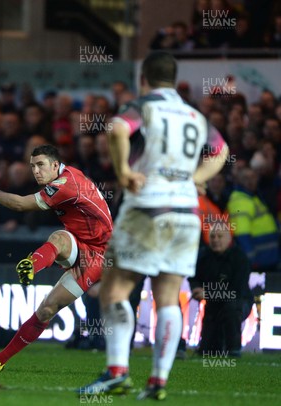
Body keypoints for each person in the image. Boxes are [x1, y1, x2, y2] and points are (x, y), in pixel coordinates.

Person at [79, 51, 228, 400]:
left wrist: (124, 172)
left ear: (143, 78)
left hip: (148, 207)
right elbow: (221, 151)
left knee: (114, 290)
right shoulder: (195, 115)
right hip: (186, 213)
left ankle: (117, 371)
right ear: (174, 80)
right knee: (167, 296)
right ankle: (158, 382)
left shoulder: (145, 105)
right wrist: (195, 179)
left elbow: (116, 129)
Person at [0, 144, 113, 372]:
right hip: (79, 242)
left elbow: (19, 204)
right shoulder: (66, 176)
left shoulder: (65, 185)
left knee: (47, 309)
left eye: (40, 165)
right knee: (60, 238)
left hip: (99, 254)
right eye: (32, 166)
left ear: (55, 165)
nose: (36, 171)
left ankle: (31, 267)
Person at [189, 226, 252, 357]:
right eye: (212, 236)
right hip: (213, 305)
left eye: (220, 236)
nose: (215, 240)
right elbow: (193, 277)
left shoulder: (240, 258)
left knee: (231, 307)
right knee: (208, 352)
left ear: (229, 238)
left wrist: (207, 294)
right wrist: (196, 288)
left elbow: (235, 292)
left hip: (239, 302)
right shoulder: (203, 256)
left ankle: (233, 349)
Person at [227, 167, 279, 272]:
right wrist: (251, 259)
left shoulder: (252, 197)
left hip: (268, 257)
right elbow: (242, 235)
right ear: (238, 180)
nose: (250, 181)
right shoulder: (240, 200)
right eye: (245, 178)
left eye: (253, 177)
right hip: (259, 261)